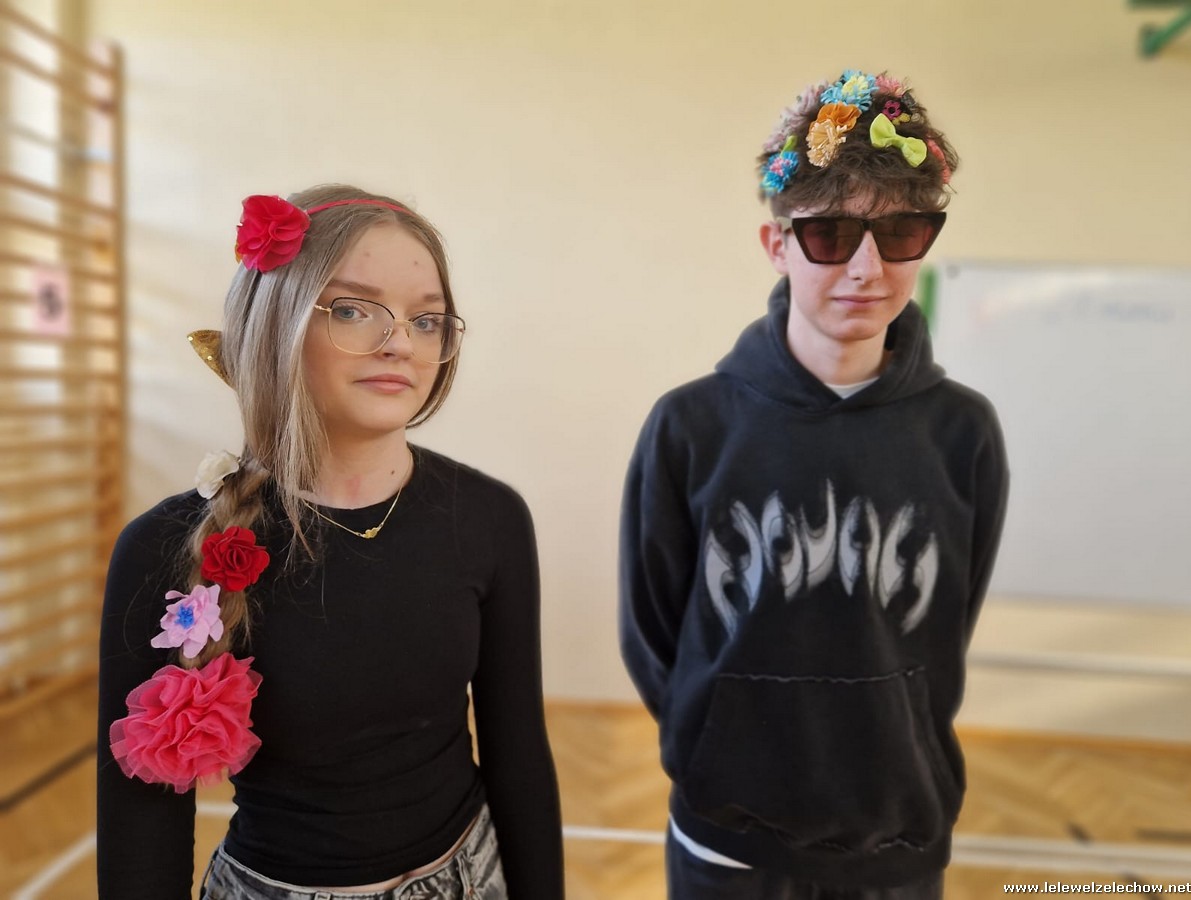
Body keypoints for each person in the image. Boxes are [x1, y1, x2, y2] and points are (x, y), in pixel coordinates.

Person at [97, 185, 564, 900]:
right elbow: (143, 825)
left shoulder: (489, 517)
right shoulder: (163, 548)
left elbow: (518, 752)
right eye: (351, 309)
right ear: (274, 325)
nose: (400, 343)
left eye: (427, 320)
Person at [619, 69, 1009, 899]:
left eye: (900, 233)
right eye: (830, 235)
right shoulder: (690, 426)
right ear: (777, 245)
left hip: (898, 834)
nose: (867, 268)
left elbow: (947, 621)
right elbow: (653, 629)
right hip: (728, 835)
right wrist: (713, 740)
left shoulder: (963, 433)